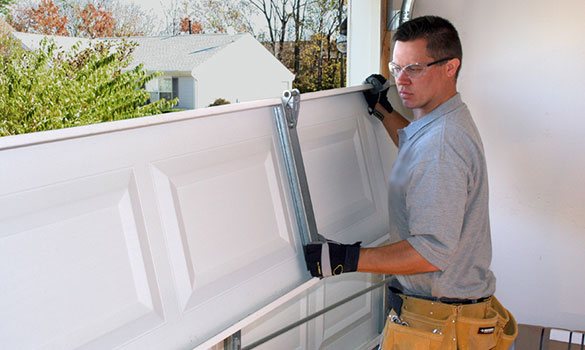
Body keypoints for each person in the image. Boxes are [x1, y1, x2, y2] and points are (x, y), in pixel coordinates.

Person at [303, 15, 518, 349]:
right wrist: (384, 111)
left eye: (414, 69)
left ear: (450, 67)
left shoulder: (442, 143)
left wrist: (346, 258)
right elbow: (417, 149)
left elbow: (432, 252)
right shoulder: (446, 119)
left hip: (442, 325)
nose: (400, 80)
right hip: (449, 316)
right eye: (396, 67)